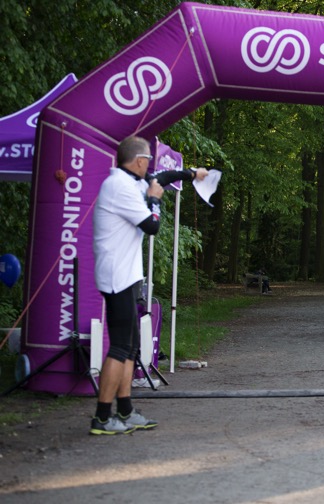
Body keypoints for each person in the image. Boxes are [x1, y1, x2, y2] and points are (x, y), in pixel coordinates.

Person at [91, 136, 207, 435]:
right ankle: (102, 417)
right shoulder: (119, 186)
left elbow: (163, 178)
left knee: (130, 347)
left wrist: (192, 174)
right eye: (148, 162)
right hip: (116, 276)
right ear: (140, 161)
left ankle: (125, 410)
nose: (150, 167)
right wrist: (155, 200)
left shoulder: (133, 180)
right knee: (120, 347)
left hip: (128, 275)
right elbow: (151, 225)